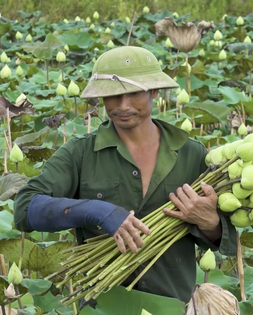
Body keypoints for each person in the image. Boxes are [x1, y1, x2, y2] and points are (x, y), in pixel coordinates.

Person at [13, 46, 237, 308]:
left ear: (153, 91)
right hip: (103, 306)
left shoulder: (192, 154)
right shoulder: (81, 152)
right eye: (112, 95)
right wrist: (97, 211)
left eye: (133, 93)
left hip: (171, 305)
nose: (123, 106)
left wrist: (210, 222)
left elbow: (223, 238)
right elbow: (25, 209)